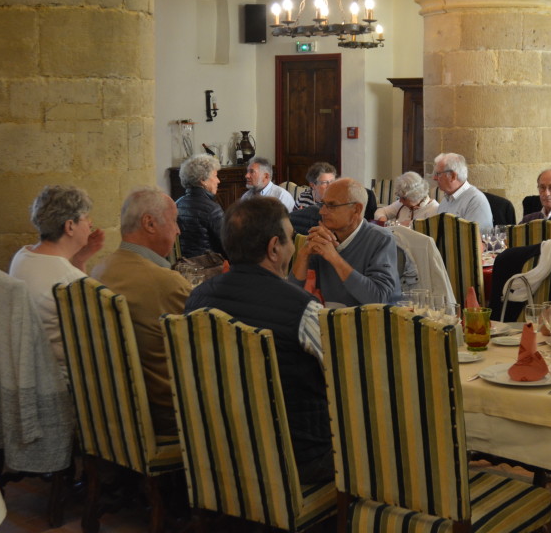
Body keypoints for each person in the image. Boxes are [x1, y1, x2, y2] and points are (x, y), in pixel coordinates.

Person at [185, 197, 332, 483]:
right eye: (291, 239)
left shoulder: (197, 298)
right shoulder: (302, 308)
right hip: (294, 461)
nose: (294, 246)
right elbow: (341, 378)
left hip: (219, 451)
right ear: (273, 247)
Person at [91, 187, 191, 435]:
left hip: (115, 409)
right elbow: (205, 346)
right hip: (165, 415)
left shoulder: (99, 270)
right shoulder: (165, 282)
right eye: (174, 221)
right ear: (149, 223)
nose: (178, 230)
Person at [9, 185, 105, 375]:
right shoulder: (71, 281)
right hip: (63, 379)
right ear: (70, 226)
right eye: (86, 218)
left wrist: (79, 259)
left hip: (29, 367)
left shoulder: (23, 255)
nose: (91, 224)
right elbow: (99, 336)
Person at [291, 178, 400, 306]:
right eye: (322, 204)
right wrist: (303, 255)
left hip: (375, 322)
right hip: (333, 321)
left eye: (331, 205)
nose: (322, 211)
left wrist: (334, 258)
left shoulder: (380, 239)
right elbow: (291, 297)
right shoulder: (322, 238)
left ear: (356, 209)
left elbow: (378, 299)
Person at [175, 154, 225, 258]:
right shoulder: (212, 209)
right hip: (208, 268)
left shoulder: (177, 204)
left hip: (182, 267)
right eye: (215, 176)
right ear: (203, 180)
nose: (218, 181)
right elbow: (228, 245)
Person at [433, 152, 493, 228]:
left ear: (453, 176)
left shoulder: (475, 200)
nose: (434, 178)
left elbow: (475, 237)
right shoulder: (446, 199)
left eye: (438, 174)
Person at [374, 171, 438, 226]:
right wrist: (383, 220)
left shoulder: (434, 209)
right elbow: (380, 211)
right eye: (399, 196)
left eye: (404, 198)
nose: (400, 201)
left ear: (415, 196)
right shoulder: (401, 204)